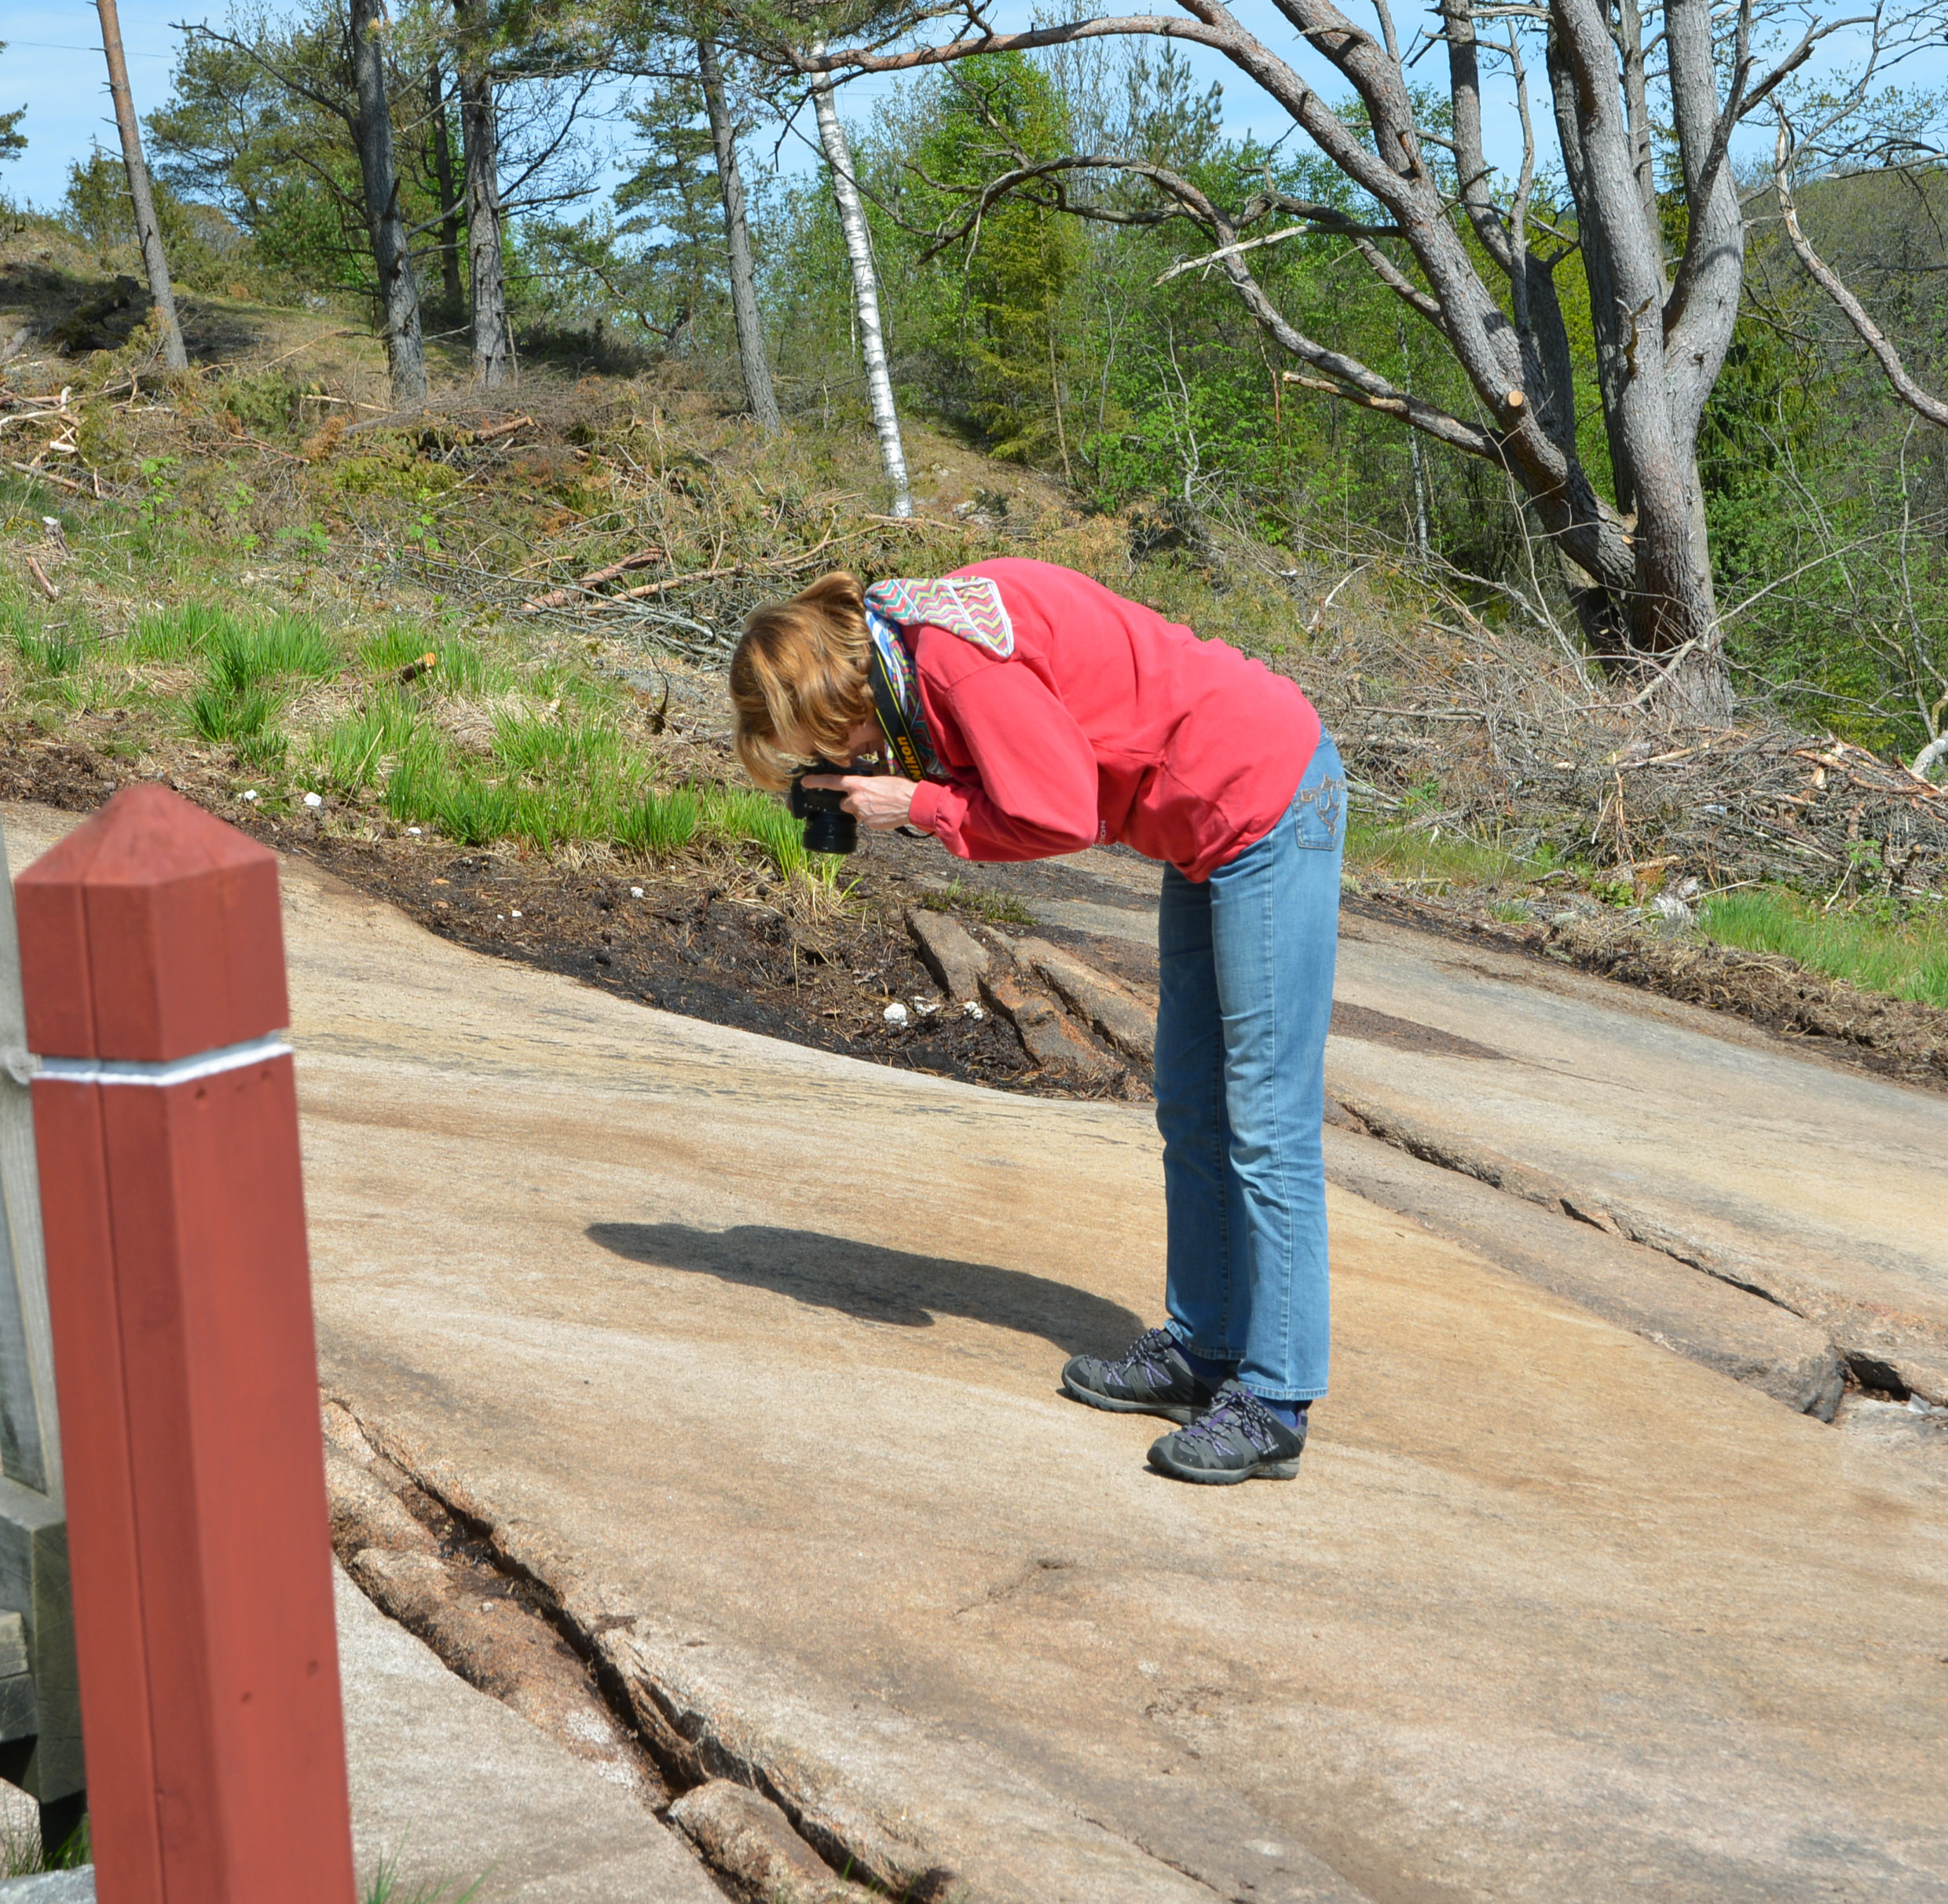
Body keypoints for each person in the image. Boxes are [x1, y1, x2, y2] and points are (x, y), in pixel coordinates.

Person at [729, 558, 1343, 1485]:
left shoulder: (949, 663)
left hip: (1264, 800)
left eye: (830, 741)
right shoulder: (909, 636)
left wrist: (917, 805)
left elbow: (1057, 812)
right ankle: (1202, 1349)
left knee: (1264, 1115)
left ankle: (1274, 1399)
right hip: (1195, 826)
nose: (842, 760)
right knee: (1189, 1103)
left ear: (843, 694)